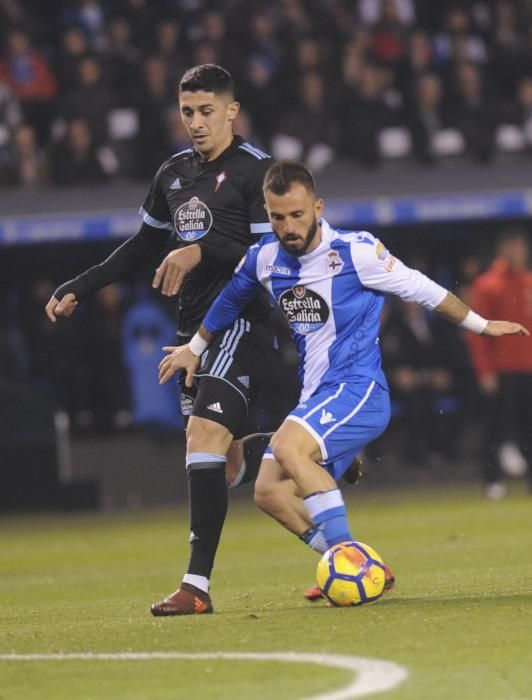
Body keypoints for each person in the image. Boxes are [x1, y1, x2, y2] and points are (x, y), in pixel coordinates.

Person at [159, 160, 528, 602]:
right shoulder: (264, 257)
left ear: (318, 208)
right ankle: (350, 560)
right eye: (277, 217)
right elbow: (232, 297)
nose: (288, 227)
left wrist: (482, 325)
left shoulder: (357, 252)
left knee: (288, 449)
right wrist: (194, 348)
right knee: (267, 491)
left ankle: (347, 558)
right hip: (316, 398)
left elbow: (421, 288)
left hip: (359, 389)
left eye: (297, 215)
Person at [45, 64, 279, 615]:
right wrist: (83, 283)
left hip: (240, 320)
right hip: (189, 328)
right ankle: (308, 452)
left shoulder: (257, 172)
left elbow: (267, 256)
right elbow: (142, 245)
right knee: (220, 461)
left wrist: (201, 250)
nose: (196, 123)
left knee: (202, 436)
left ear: (231, 111)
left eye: (206, 112)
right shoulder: (172, 174)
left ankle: (195, 588)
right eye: (187, 112)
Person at [467, 228, 532, 500]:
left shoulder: (529, 282)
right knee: (495, 427)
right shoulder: (487, 284)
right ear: (503, 250)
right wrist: (484, 370)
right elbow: (477, 332)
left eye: (521, 247)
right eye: (513, 247)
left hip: (528, 368)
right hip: (501, 369)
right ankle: (492, 480)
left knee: (528, 427)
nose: (518, 252)